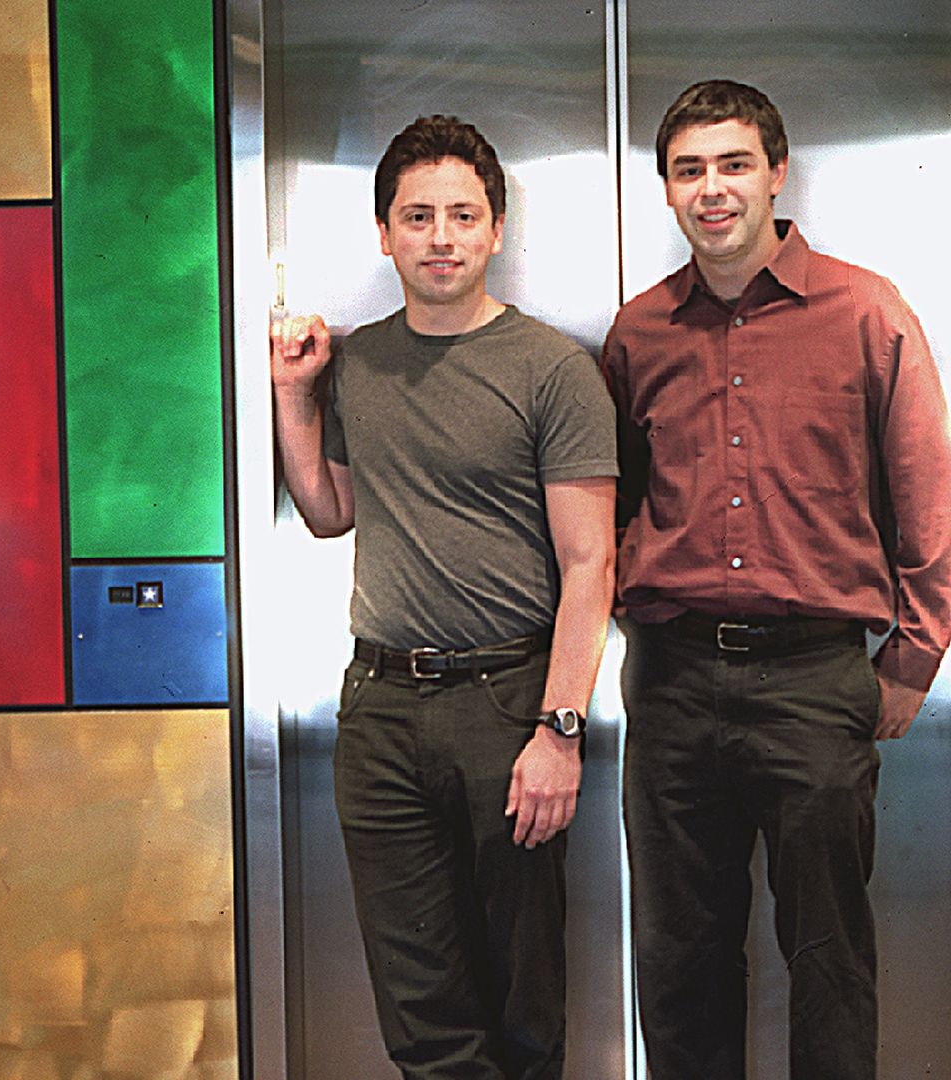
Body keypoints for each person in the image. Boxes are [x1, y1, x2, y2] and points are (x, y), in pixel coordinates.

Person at [600, 80, 951, 1079]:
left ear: (775, 170)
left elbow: (929, 494)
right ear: (668, 191)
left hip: (816, 682)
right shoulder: (639, 335)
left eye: (731, 164)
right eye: (688, 171)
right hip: (672, 686)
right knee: (680, 962)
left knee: (829, 955)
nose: (711, 189)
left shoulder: (865, 311)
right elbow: (611, 507)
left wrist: (914, 656)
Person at [269, 114, 617, 1080]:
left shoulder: (553, 370)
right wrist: (295, 396)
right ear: (384, 233)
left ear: (496, 229)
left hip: (507, 706)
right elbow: (332, 510)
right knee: (420, 1006)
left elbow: (591, 565)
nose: (442, 236)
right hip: (378, 709)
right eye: (417, 216)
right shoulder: (363, 363)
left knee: (521, 999)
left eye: (463, 215)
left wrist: (560, 729)